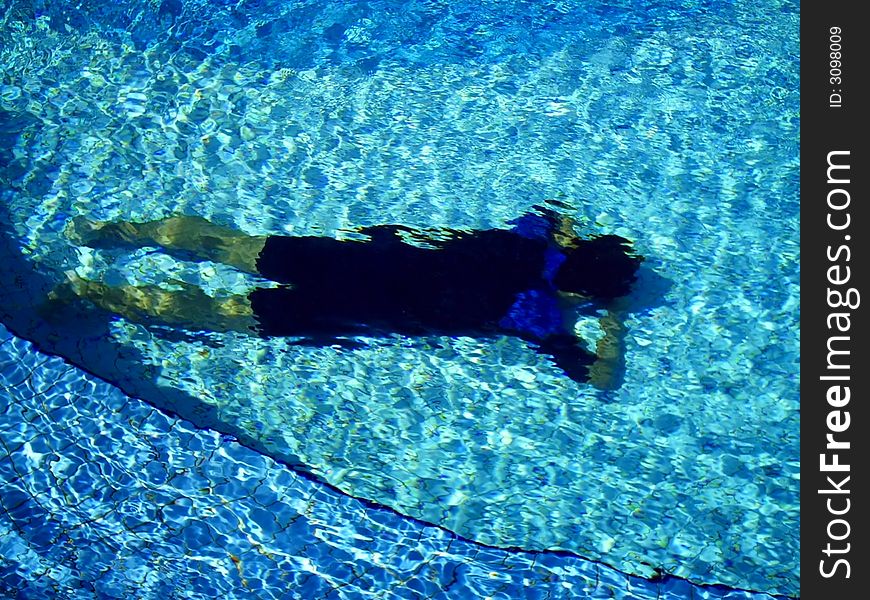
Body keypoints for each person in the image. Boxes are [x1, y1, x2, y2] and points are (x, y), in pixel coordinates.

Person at [60, 205, 643, 389]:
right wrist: (613, 325)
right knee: (218, 313)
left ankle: (108, 233)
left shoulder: (530, 242)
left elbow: (548, 212)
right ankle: (88, 292)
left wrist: (567, 242)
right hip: (356, 310)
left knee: (229, 246)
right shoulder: (536, 312)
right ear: (582, 293)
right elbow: (597, 378)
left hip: (354, 262)